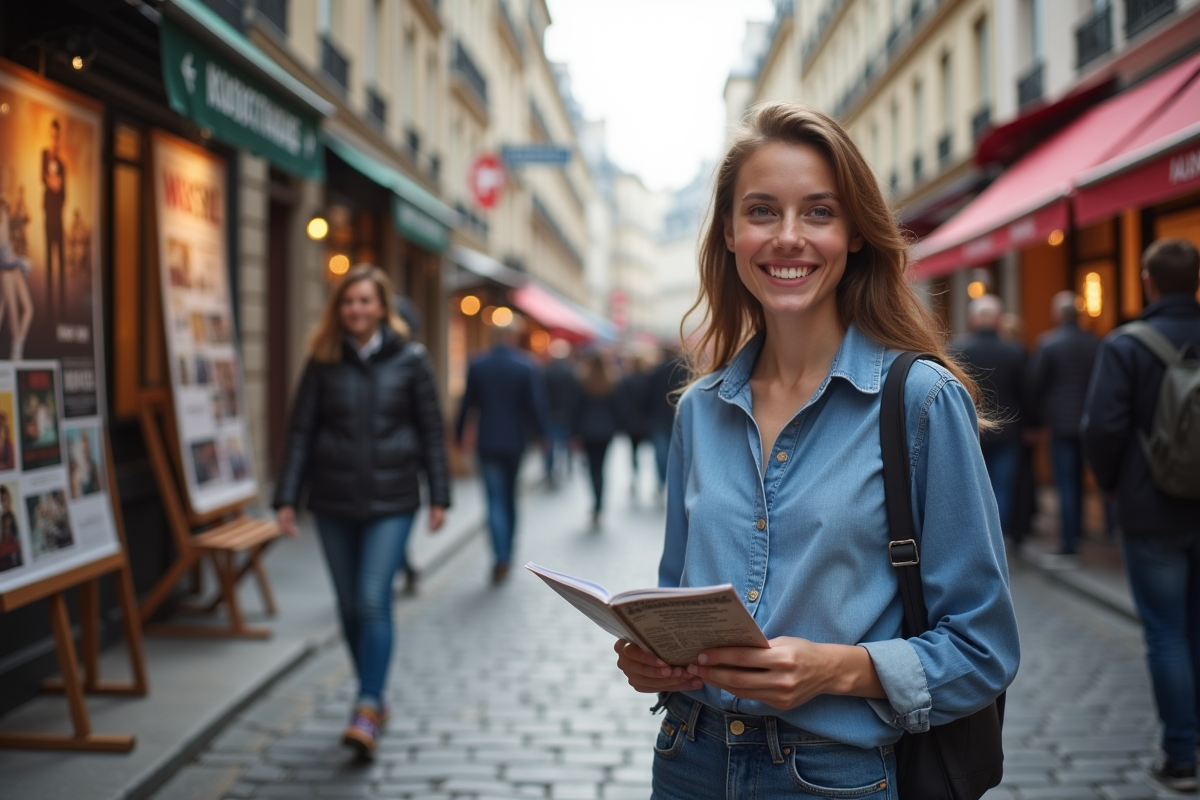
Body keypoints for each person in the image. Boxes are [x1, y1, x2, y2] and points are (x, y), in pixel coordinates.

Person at [613, 103, 1019, 798]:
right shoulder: (701, 411)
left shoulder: (920, 402)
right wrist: (656, 659)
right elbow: (679, 603)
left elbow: (984, 649)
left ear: (856, 234)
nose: (789, 238)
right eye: (763, 211)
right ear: (732, 235)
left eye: (819, 213)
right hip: (687, 758)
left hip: (833, 772)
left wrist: (839, 669)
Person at [274, 265, 450, 758]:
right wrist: (286, 497)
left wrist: (440, 496)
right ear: (339, 309)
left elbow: (431, 430)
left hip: (393, 500)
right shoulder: (322, 359)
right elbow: (300, 432)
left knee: (373, 599)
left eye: (366, 301)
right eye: (349, 301)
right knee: (350, 606)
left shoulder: (412, 360)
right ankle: (372, 693)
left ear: (382, 307)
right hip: (331, 499)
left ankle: (367, 703)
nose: (357, 309)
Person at [1081, 238, 1200, 793]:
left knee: (1166, 633)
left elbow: (1102, 429)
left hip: (1151, 508)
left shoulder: (1127, 345)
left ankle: (1180, 757)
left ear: (1148, 281)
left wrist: (1112, 487)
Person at [455, 318, 547, 584]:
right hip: (515, 442)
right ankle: (508, 549)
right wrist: (542, 435)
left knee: (494, 499)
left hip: (488, 441)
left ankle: (500, 556)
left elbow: (466, 403)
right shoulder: (526, 365)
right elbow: (535, 405)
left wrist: (460, 433)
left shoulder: (478, 364)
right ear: (513, 337)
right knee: (509, 497)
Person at [1028, 290, 1100, 555]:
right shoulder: (1093, 342)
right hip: (1089, 420)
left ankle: (1069, 541)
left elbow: (1036, 384)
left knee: (1067, 482)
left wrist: (1037, 420)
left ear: (1058, 315)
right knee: (1083, 480)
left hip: (1059, 423)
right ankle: (1087, 529)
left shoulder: (1049, 343)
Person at [954, 294, 1027, 539]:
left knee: (970, 488)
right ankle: (999, 539)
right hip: (1007, 432)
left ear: (973, 319)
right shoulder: (1015, 352)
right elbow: (1026, 393)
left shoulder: (957, 351)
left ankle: (975, 538)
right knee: (1001, 488)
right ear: (998, 320)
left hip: (969, 430)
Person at [572, 351, 620, 528]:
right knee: (601, 468)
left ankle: (596, 503)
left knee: (592, 468)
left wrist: (574, 432)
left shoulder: (582, 381)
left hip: (587, 431)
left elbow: (575, 410)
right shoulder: (612, 381)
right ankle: (600, 504)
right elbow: (618, 408)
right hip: (606, 431)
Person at [645, 347, 686, 491]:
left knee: (661, 452)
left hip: (658, 416)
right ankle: (674, 480)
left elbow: (648, 395)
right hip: (678, 415)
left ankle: (663, 480)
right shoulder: (683, 372)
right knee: (676, 451)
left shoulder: (656, 372)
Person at [614, 351, 653, 498]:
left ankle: (635, 478)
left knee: (633, 452)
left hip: (631, 422)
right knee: (650, 452)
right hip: (645, 421)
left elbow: (621, 403)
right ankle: (654, 481)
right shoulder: (648, 379)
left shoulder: (626, 379)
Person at [0, 196, 34, 360]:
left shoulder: (7, 221)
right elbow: (4, 258)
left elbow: (27, 218)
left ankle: (18, 347)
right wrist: (22, 261)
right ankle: (16, 352)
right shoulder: (2, 229)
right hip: (6, 272)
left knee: (28, 309)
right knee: (9, 312)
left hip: (14, 270)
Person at [541, 345, 579, 487]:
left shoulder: (545, 372)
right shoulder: (571, 373)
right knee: (566, 442)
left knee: (550, 443)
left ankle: (550, 471)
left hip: (550, 414)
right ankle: (567, 466)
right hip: (565, 413)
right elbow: (575, 396)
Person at [43, 119, 66, 316]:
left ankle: (62, 305)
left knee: (61, 261)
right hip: (48, 215)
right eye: (52, 135)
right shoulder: (44, 156)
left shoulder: (62, 165)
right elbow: (43, 178)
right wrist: (53, 181)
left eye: (56, 136)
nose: (54, 139)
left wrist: (56, 182)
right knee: (49, 260)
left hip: (58, 217)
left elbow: (62, 191)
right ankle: (50, 305)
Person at [0, 486, 21, 572]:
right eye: (4, 500)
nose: (7, 503)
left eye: (8, 499)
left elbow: (17, 536)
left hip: (13, 556)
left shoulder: (11, 516)